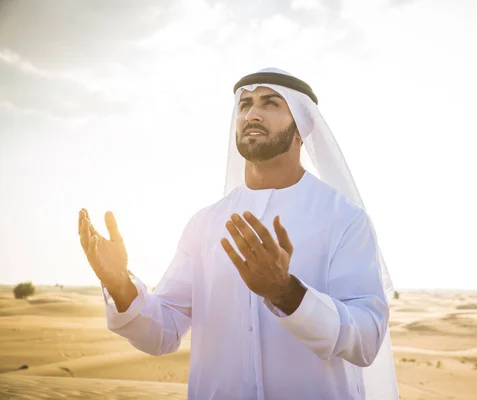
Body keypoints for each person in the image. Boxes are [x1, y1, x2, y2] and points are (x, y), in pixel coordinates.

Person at [78, 68, 399, 400]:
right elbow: (162, 333)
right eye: (244, 105)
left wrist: (287, 294)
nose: (252, 114)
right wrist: (119, 285)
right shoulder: (205, 224)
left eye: (271, 103)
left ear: (305, 126)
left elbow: (367, 338)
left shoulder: (344, 220)